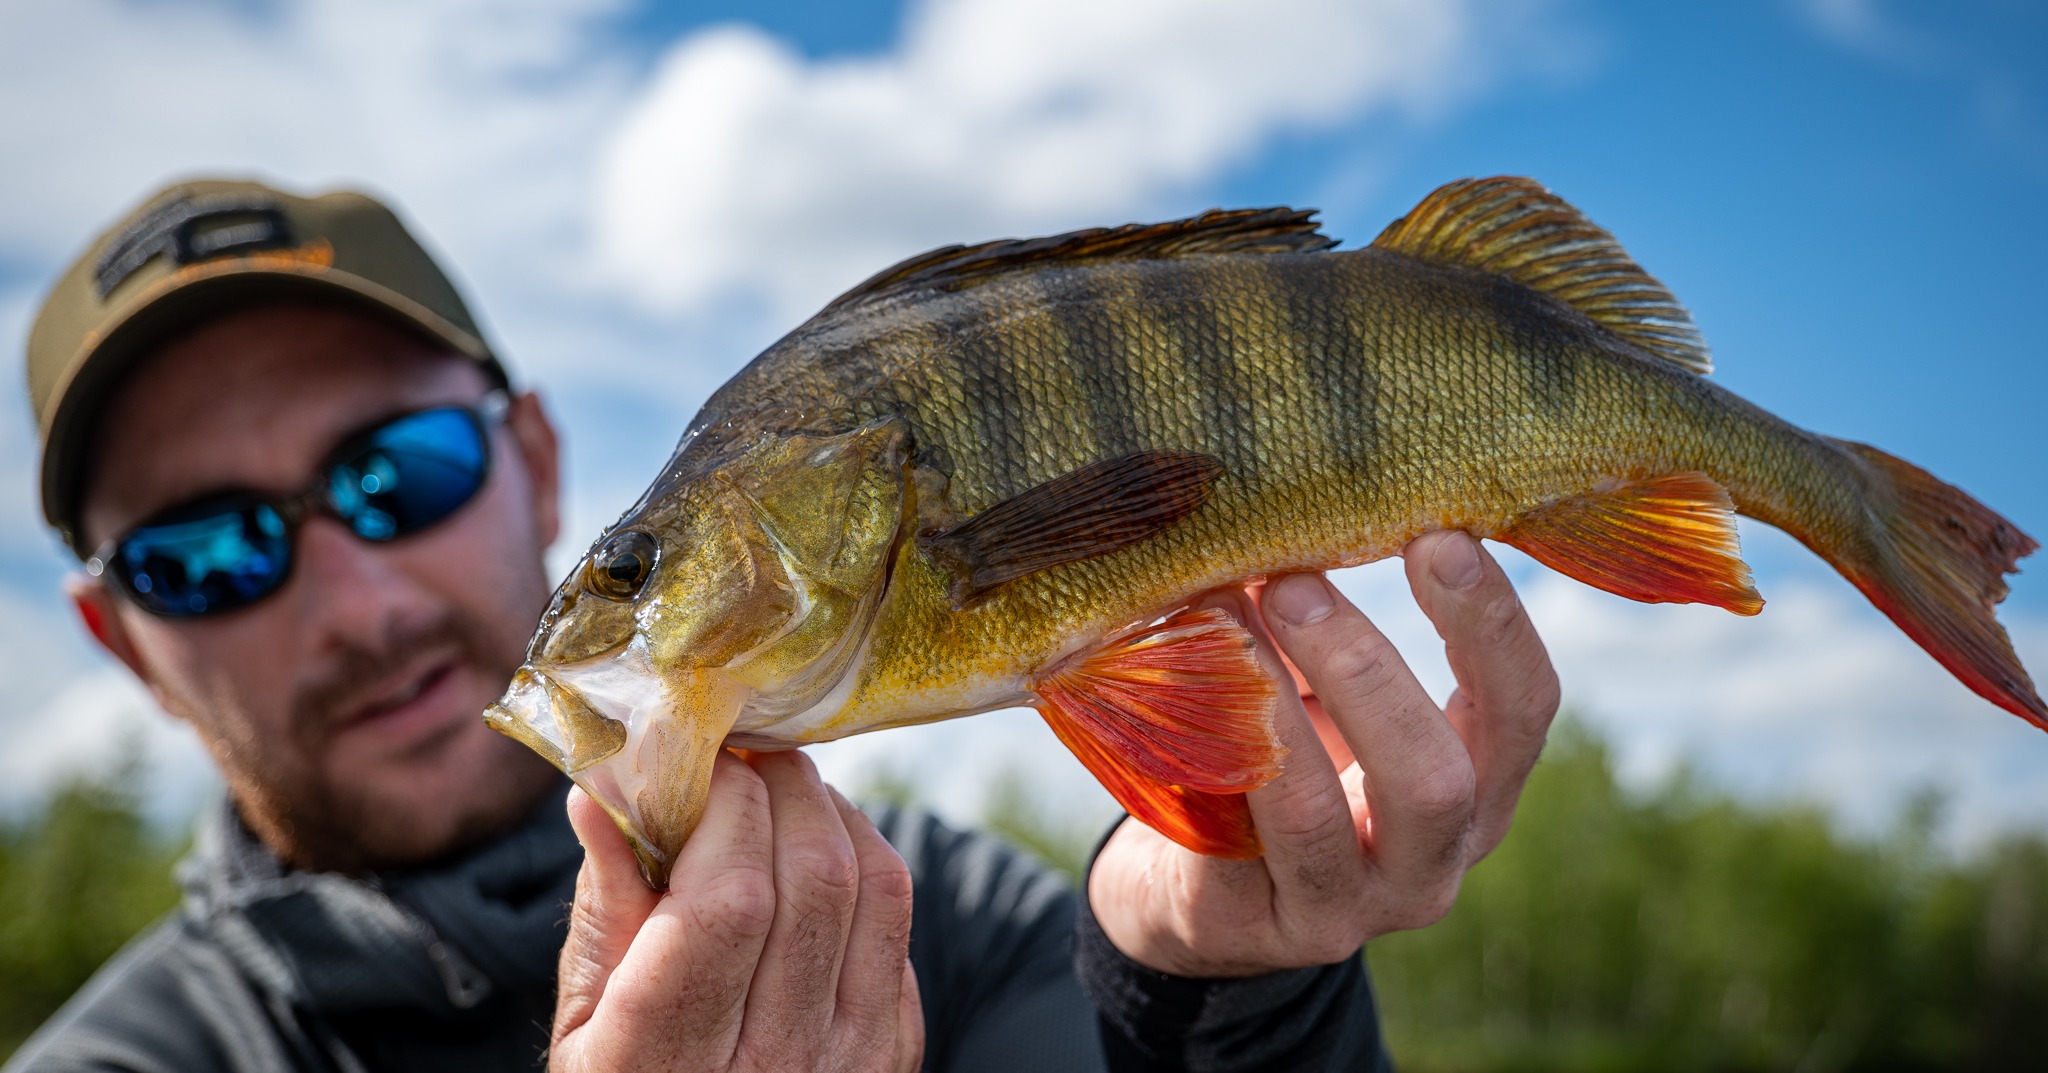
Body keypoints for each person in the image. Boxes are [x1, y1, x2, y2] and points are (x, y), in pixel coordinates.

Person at [8, 180, 1561, 1072]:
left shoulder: (946, 911)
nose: (356, 596)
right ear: (125, 642)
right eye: (205, 555)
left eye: (399, 471)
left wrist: (1217, 984)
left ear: (538, 462)